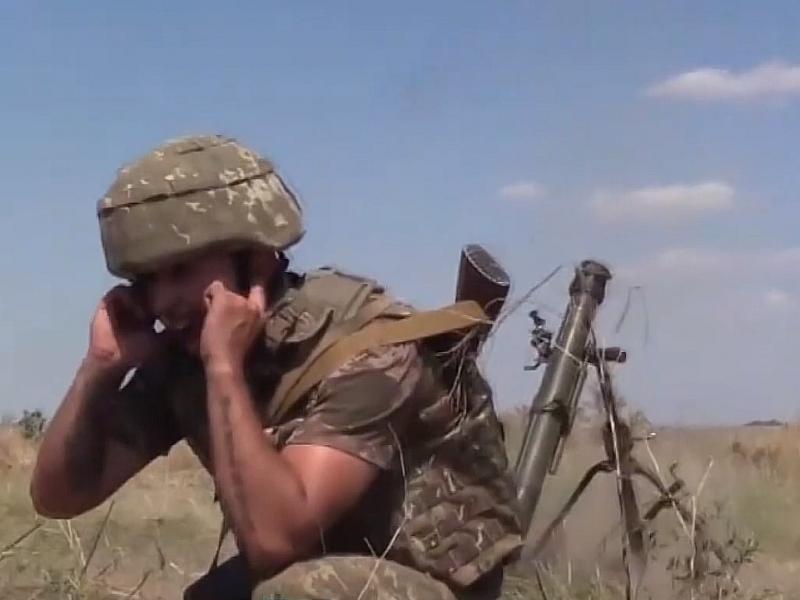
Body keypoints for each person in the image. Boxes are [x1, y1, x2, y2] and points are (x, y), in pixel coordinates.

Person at [30, 134, 526, 600]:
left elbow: (274, 541)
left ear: (258, 260)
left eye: (181, 271)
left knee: (295, 592)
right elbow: (58, 497)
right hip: (315, 568)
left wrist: (223, 368)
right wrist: (99, 369)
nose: (163, 302)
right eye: (147, 281)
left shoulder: (369, 352)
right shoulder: (186, 359)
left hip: (429, 583)